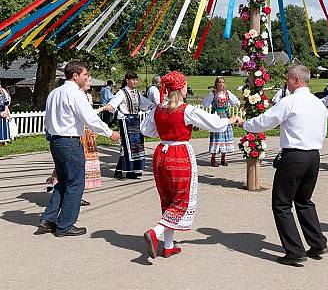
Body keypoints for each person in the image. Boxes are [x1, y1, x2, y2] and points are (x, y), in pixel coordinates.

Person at [140, 71, 238, 258]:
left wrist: (165, 130)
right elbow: (214, 124)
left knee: (168, 199)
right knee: (181, 200)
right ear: (182, 87)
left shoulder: (158, 108)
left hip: (161, 153)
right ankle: (156, 232)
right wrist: (231, 120)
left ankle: (168, 245)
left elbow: (146, 130)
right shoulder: (186, 109)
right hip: (179, 154)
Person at [240, 65, 328, 266]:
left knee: (281, 204)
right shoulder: (319, 104)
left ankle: (295, 250)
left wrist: (244, 124)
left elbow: (266, 121)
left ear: (296, 79)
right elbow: (322, 132)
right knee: (304, 200)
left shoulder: (290, 102)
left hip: (294, 156)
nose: (286, 83)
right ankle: (317, 242)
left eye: (288, 79)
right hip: (313, 156)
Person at [38, 61, 120, 237]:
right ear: (75, 76)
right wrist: (109, 132)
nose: (87, 78)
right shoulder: (75, 94)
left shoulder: (54, 92)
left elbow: (48, 119)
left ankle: (48, 219)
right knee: (75, 183)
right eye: (85, 75)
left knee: (63, 181)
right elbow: (90, 119)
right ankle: (65, 225)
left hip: (55, 141)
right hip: (70, 142)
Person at [101, 71, 151, 180]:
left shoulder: (137, 93)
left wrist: (155, 104)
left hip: (136, 120)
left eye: (136, 79)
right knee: (127, 146)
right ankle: (119, 171)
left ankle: (131, 170)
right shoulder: (122, 92)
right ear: (127, 80)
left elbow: (145, 104)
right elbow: (114, 102)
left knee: (136, 146)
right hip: (126, 121)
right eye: (133, 80)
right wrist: (109, 106)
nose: (135, 82)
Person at [202, 77, 240, 167]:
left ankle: (223, 158)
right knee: (216, 136)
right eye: (219, 82)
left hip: (226, 116)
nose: (221, 84)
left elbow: (236, 102)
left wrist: (238, 103)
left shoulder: (227, 93)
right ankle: (213, 158)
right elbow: (205, 104)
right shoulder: (213, 93)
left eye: (223, 82)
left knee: (225, 136)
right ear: (216, 84)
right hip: (216, 117)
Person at [0, 81, 11, 145]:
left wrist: (5, 111)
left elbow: (6, 103)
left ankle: (4, 140)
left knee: (3, 124)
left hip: (2, 110)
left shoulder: (3, 92)